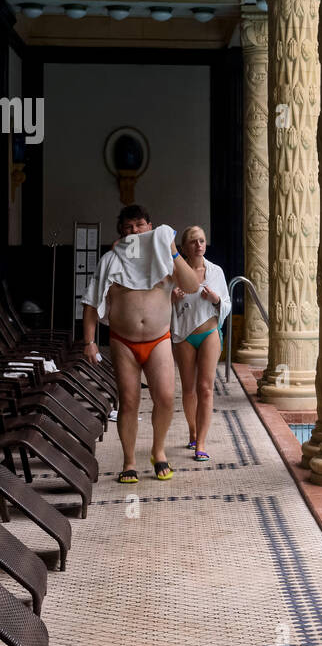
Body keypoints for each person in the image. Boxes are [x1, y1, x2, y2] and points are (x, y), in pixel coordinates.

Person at [82, 204, 201, 483]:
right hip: (123, 341)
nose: (134, 231)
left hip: (158, 338)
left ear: (150, 227)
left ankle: (158, 451)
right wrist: (89, 341)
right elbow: (90, 304)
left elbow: (193, 285)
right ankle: (129, 461)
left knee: (165, 398)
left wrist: (171, 250)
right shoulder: (111, 260)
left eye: (139, 225)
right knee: (129, 402)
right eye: (128, 227)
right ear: (121, 233)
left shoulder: (164, 256)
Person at [170, 226, 231, 462]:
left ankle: (202, 443)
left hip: (209, 333)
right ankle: (193, 431)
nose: (199, 245)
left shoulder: (216, 272)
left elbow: (226, 303)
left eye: (202, 240)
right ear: (184, 247)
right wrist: (172, 298)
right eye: (193, 241)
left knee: (205, 388)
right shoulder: (174, 272)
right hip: (184, 336)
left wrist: (215, 299)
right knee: (188, 389)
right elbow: (161, 306)